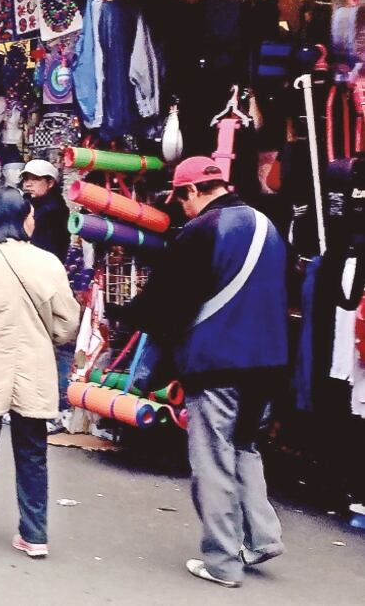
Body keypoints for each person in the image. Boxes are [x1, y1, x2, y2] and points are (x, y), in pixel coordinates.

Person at [120, 157, 287, 587]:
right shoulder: (266, 226)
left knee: (212, 460)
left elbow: (166, 302)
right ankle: (263, 537)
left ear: (191, 191)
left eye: (180, 199)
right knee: (245, 448)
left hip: (218, 363)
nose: (180, 208)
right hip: (267, 364)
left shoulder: (203, 231)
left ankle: (222, 562)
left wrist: (129, 316)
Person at [0, 187, 80, 559]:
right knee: (33, 452)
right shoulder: (48, 263)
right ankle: (34, 535)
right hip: (33, 367)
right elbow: (67, 322)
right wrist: (45, 338)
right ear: (25, 219)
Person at [19, 159, 70, 260]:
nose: (28, 184)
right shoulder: (29, 202)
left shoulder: (53, 212)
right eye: (26, 179)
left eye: (34, 179)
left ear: (50, 183)